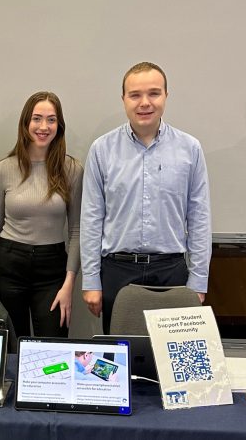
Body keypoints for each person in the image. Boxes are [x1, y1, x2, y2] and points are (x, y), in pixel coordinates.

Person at [80, 62, 212, 334]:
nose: (144, 103)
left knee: (169, 361)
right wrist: (91, 280)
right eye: (135, 95)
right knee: (120, 360)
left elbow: (199, 218)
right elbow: (92, 218)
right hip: (117, 271)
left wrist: (198, 281)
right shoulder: (102, 150)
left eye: (153, 93)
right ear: (123, 99)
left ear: (166, 95)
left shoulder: (190, 149)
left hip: (172, 272)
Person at [0, 91, 81, 338]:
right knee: (10, 345)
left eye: (51, 119)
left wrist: (69, 284)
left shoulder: (72, 170)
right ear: (25, 123)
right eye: (37, 118)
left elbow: (77, 230)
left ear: (59, 126)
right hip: (8, 263)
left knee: (53, 348)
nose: (43, 126)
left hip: (52, 268)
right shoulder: (1, 171)